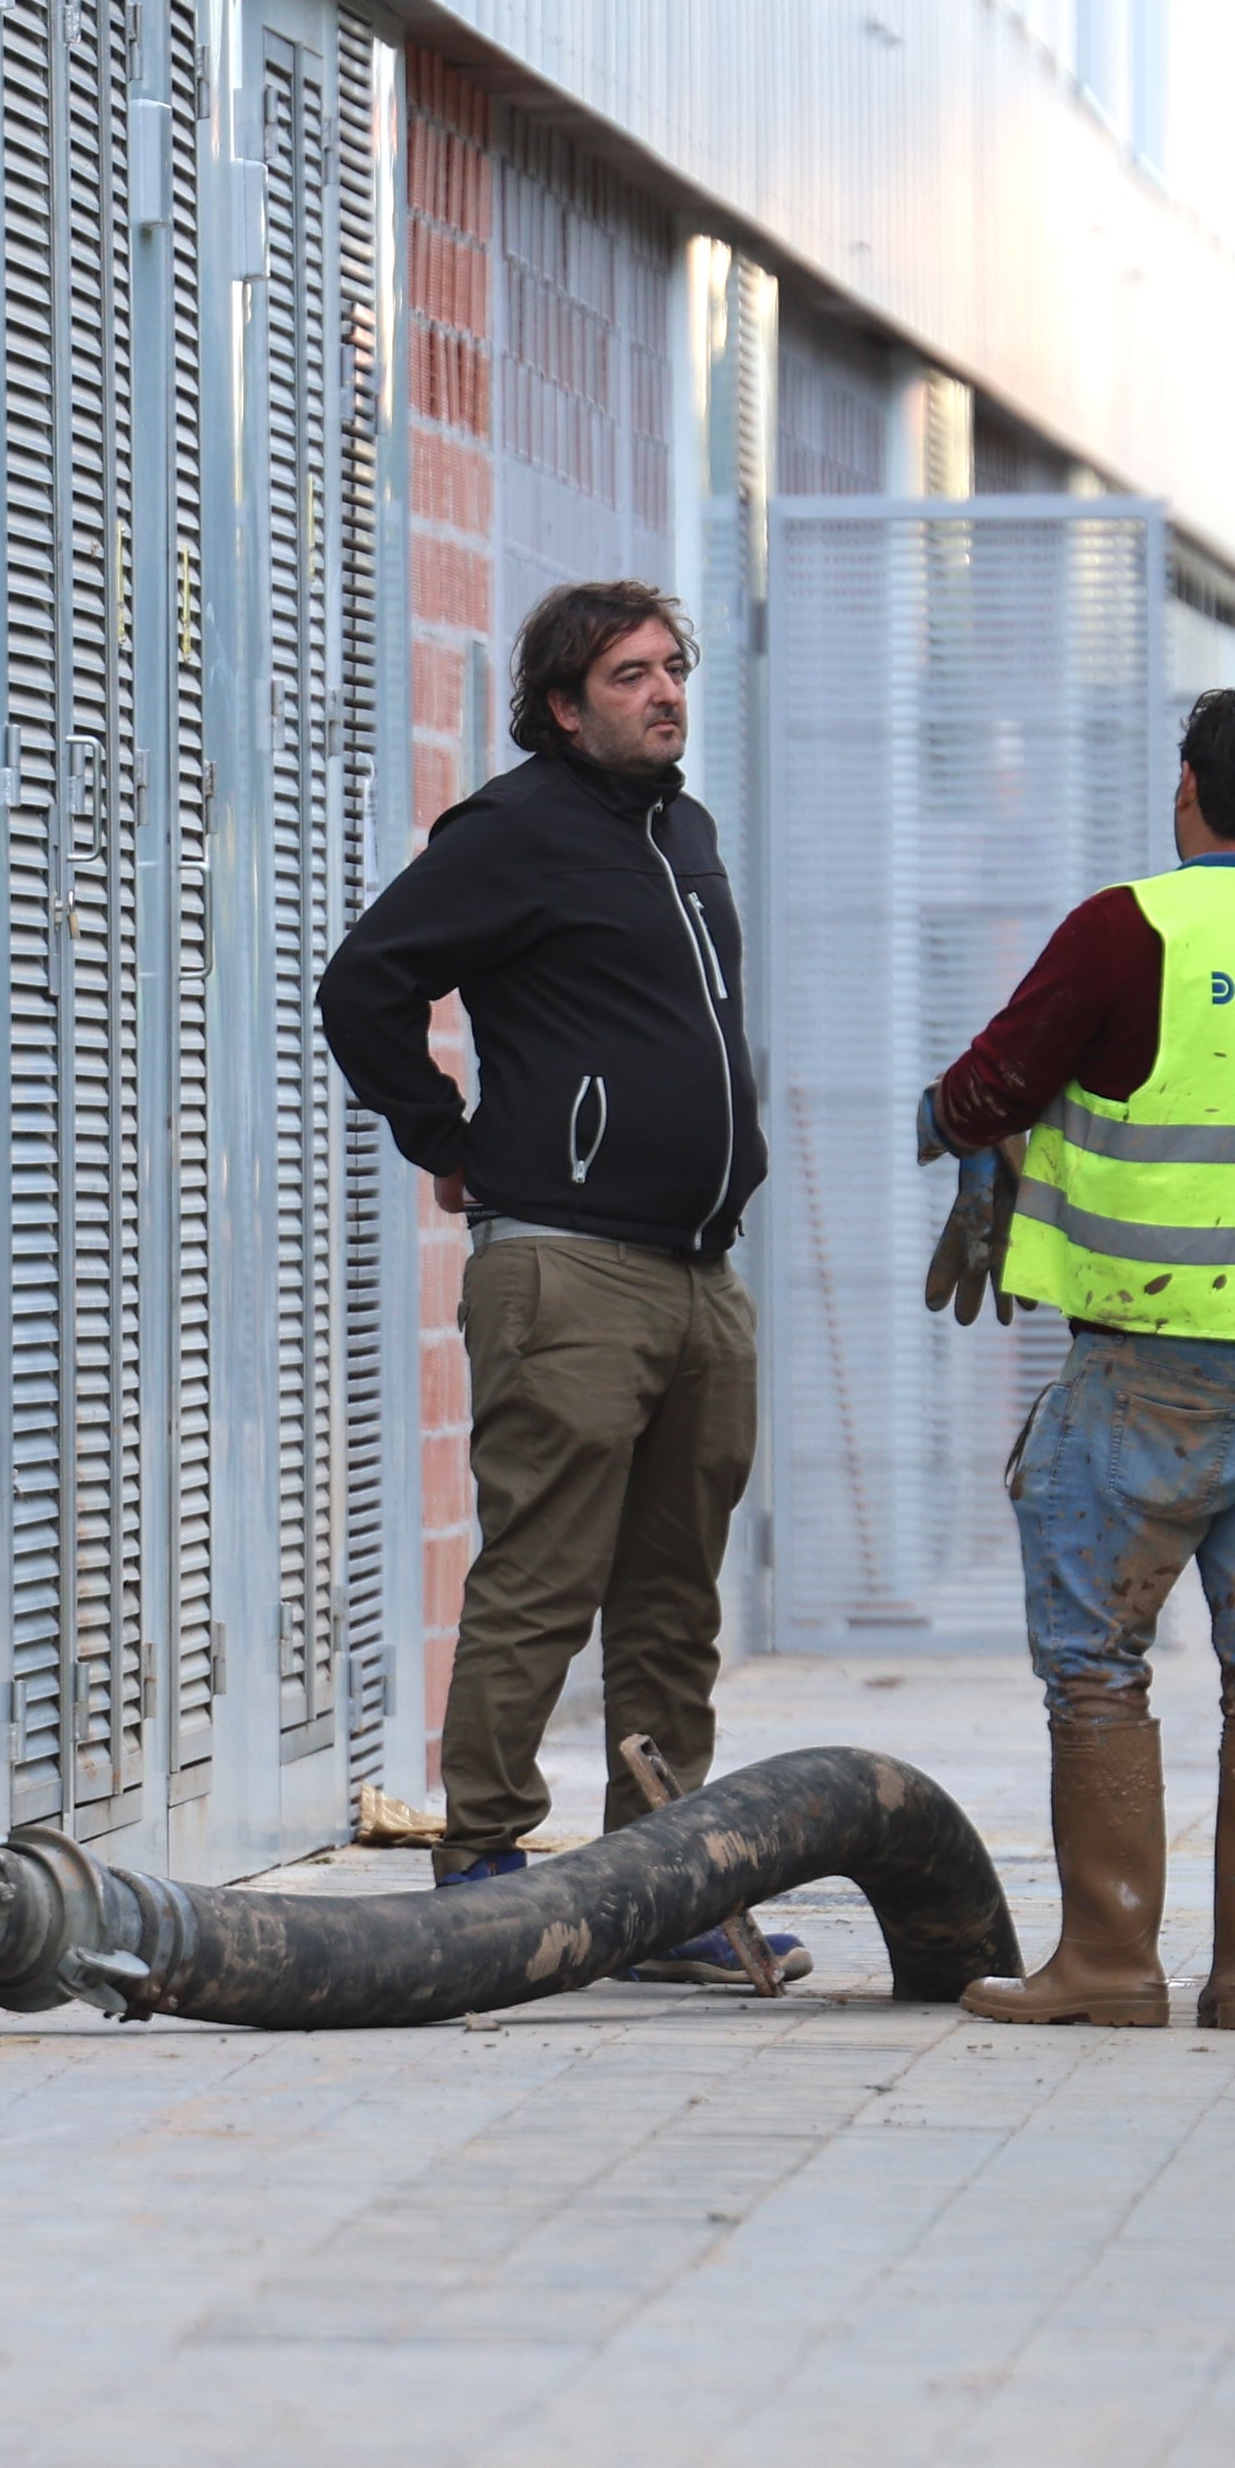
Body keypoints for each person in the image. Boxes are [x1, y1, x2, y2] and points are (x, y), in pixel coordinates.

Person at [918, 686, 1235, 2032]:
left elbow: (989, 1085)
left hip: (1148, 1364)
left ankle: (1109, 1964)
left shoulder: (1132, 925)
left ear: (1186, 790)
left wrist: (960, 1131)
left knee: (1097, 1662)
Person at [316, 579, 799, 1987]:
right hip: (570, 1266)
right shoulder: (514, 831)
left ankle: (666, 1890)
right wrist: (447, 1137)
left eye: (672, 670)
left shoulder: (685, 831)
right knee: (543, 1573)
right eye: (630, 675)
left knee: (675, 1594)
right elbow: (366, 984)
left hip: (702, 1272)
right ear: (561, 707)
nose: (663, 693)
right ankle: (482, 1867)